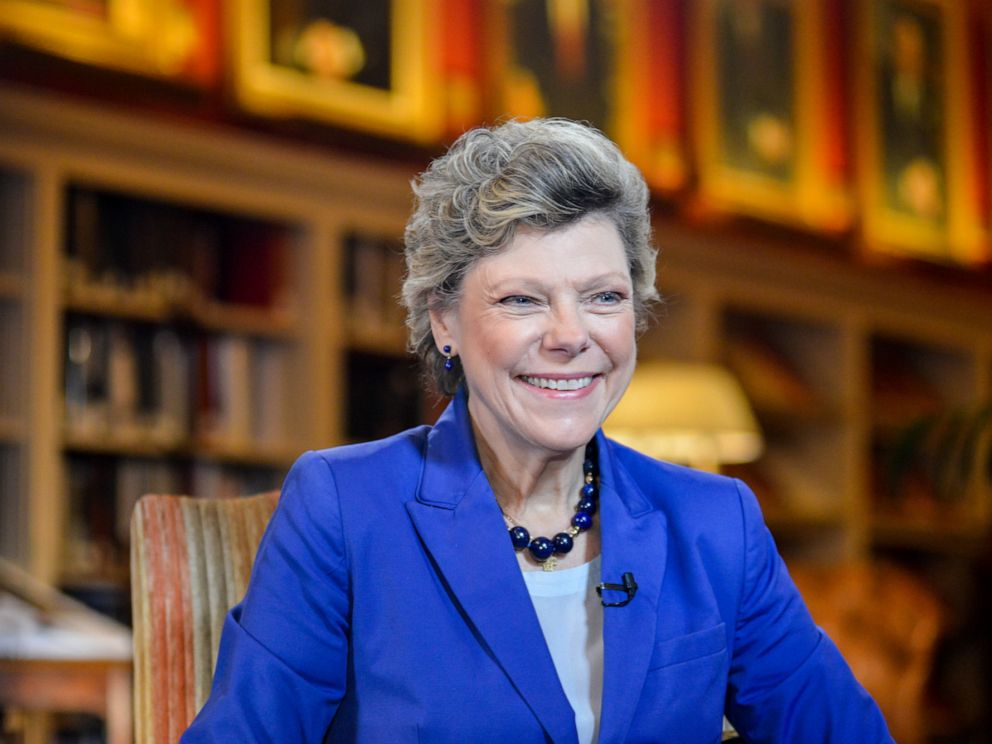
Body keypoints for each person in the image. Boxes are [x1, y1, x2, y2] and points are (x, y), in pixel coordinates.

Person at [182, 118, 892, 743]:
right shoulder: (342, 506)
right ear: (444, 321)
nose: (570, 336)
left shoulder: (717, 524)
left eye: (603, 297)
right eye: (522, 299)